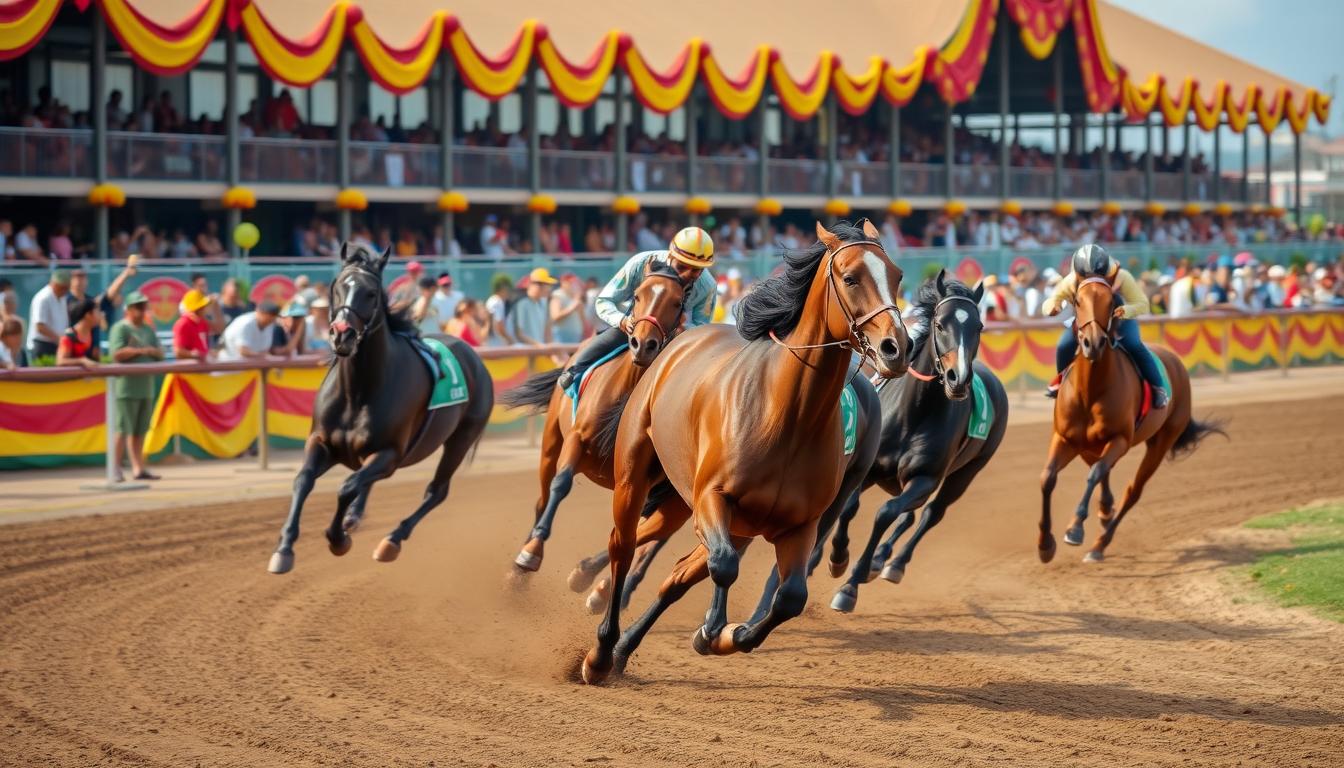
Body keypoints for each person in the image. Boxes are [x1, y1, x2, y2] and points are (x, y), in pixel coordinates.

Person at [555, 226, 718, 390]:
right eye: (682, 267)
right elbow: (604, 301)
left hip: (674, 334)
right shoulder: (640, 263)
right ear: (670, 256)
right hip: (634, 323)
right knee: (613, 337)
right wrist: (622, 321)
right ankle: (575, 370)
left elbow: (701, 327)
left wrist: (684, 329)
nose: (686, 275)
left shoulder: (708, 286)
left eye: (695, 270)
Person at [1043, 243, 1168, 408]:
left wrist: (1126, 310)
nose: (1091, 279)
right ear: (1078, 273)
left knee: (1133, 344)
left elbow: (1142, 304)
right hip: (1085, 322)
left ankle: (1158, 387)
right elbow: (1051, 301)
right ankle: (1061, 382)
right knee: (1063, 346)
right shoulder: (1071, 281)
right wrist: (1053, 306)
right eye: (1085, 276)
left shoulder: (1122, 276)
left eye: (1098, 275)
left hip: (1119, 319)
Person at [108, 291, 163, 481]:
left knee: (140, 430)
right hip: (127, 386)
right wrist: (140, 351)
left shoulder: (148, 330)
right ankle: (113, 468)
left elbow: (160, 352)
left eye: (143, 306)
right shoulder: (121, 328)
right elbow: (116, 353)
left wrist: (148, 351)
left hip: (145, 385)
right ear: (129, 309)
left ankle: (138, 468)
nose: (142, 310)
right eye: (138, 307)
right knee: (122, 429)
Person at [27, 269, 71, 360]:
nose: (64, 290)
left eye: (66, 287)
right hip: (42, 345)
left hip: (56, 345)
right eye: (62, 287)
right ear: (53, 283)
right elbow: (40, 326)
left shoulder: (62, 298)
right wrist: (60, 339)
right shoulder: (43, 298)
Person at [507, 268, 557, 346]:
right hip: (521, 353)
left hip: (537, 352)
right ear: (537, 285)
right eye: (547, 285)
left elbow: (547, 333)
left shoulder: (542, 303)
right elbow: (519, 334)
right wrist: (539, 346)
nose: (549, 288)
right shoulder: (521, 302)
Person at [57, 298, 100, 369]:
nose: (100, 315)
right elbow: (60, 361)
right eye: (97, 312)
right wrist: (82, 361)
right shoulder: (69, 336)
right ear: (88, 315)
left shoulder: (94, 333)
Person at [173, 289, 214, 361]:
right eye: (202, 306)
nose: (205, 309)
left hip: (204, 368)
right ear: (197, 309)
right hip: (188, 370)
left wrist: (211, 354)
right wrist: (193, 354)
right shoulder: (183, 324)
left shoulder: (203, 323)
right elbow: (178, 352)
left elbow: (205, 348)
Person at [550, 273, 586, 345]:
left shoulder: (575, 296)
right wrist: (572, 307)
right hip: (562, 335)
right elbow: (555, 316)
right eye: (570, 283)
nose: (572, 285)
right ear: (563, 283)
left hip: (576, 335)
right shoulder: (557, 295)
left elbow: (582, 319)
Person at [484, 274, 514, 345]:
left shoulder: (494, 300)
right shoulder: (497, 302)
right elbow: (499, 325)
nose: (510, 293)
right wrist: (510, 340)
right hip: (495, 343)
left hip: (494, 342)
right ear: (503, 289)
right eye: (508, 290)